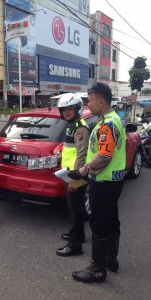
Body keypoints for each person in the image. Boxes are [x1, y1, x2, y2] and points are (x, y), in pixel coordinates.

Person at [69, 83, 126, 283]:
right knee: (111, 219)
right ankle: (111, 258)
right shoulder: (112, 119)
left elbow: (103, 156)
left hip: (103, 182)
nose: (88, 104)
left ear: (101, 101)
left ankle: (97, 270)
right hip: (113, 181)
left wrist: (82, 171)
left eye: (90, 100)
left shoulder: (107, 125)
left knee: (99, 223)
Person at [56, 93, 89, 257]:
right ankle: (78, 235)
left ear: (77, 109)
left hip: (75, 175)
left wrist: (73, 180)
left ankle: (75, 245)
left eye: (69, 109)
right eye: (63, 110)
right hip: (69, 173)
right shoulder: (71, 126)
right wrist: (60, 155)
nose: (66, 112)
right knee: (76, 208)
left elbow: (81, 155)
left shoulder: (80, 128)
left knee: (75, 209)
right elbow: (71, 150)